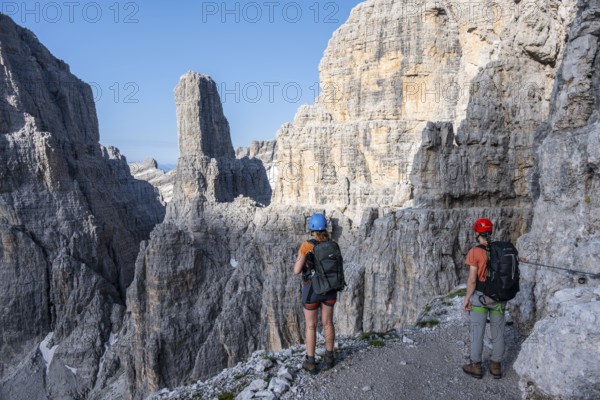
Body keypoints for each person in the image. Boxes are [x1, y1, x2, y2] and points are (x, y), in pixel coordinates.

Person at [293, 213, 337, 374]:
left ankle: (310, 362)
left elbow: (297, 271)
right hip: (330, 290)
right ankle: (330, 358)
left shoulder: (306, 246)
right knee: (328, 323)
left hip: (311, 291)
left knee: (311, 326)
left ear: (311, 229)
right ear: (325, 227)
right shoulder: (333, 244)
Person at [463, 218, 506, 379]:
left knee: (477, 332)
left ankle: (476, 367)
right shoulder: (501, 249)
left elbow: (472, 279)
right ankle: (496, 367)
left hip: (481, 298)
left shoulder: (475, 251)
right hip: (500, 298)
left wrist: (467, 298)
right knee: (498, 332)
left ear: (477, 233)